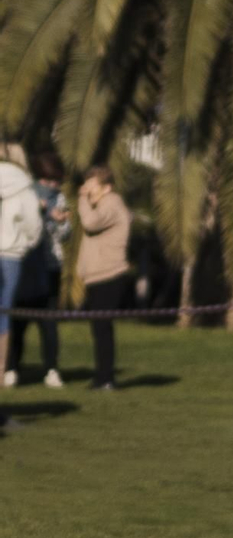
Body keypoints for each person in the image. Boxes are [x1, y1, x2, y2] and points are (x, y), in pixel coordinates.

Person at [5, 148, 68, 388]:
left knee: (49, 323)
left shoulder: (59, 199)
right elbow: (25, 228)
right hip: (23, 264)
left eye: (56, 182)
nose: (51, 186)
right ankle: (11, 368)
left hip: (50, 267)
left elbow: (66, 234)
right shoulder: (24, 193)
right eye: (47, 181)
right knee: (17, 320)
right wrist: (39, 213)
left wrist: (59, 222)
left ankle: (51, 369)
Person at [75, 166, 131, 391]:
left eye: (92, 185)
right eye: (86, 184)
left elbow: (90, 223)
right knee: (99, 329)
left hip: (109, 275)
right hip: (97, 276)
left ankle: (106, 378)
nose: (87, 189)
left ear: (106, 188)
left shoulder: (112, 203)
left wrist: (82, 199)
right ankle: (102, 377)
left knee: (102, 328)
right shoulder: (102, 205)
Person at [0, 153, 43, 378]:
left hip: (10, 253)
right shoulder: (23, 186)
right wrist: (25, 244)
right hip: (12, 254)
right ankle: (2, 370)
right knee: (4, 311)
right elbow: (33, 225)